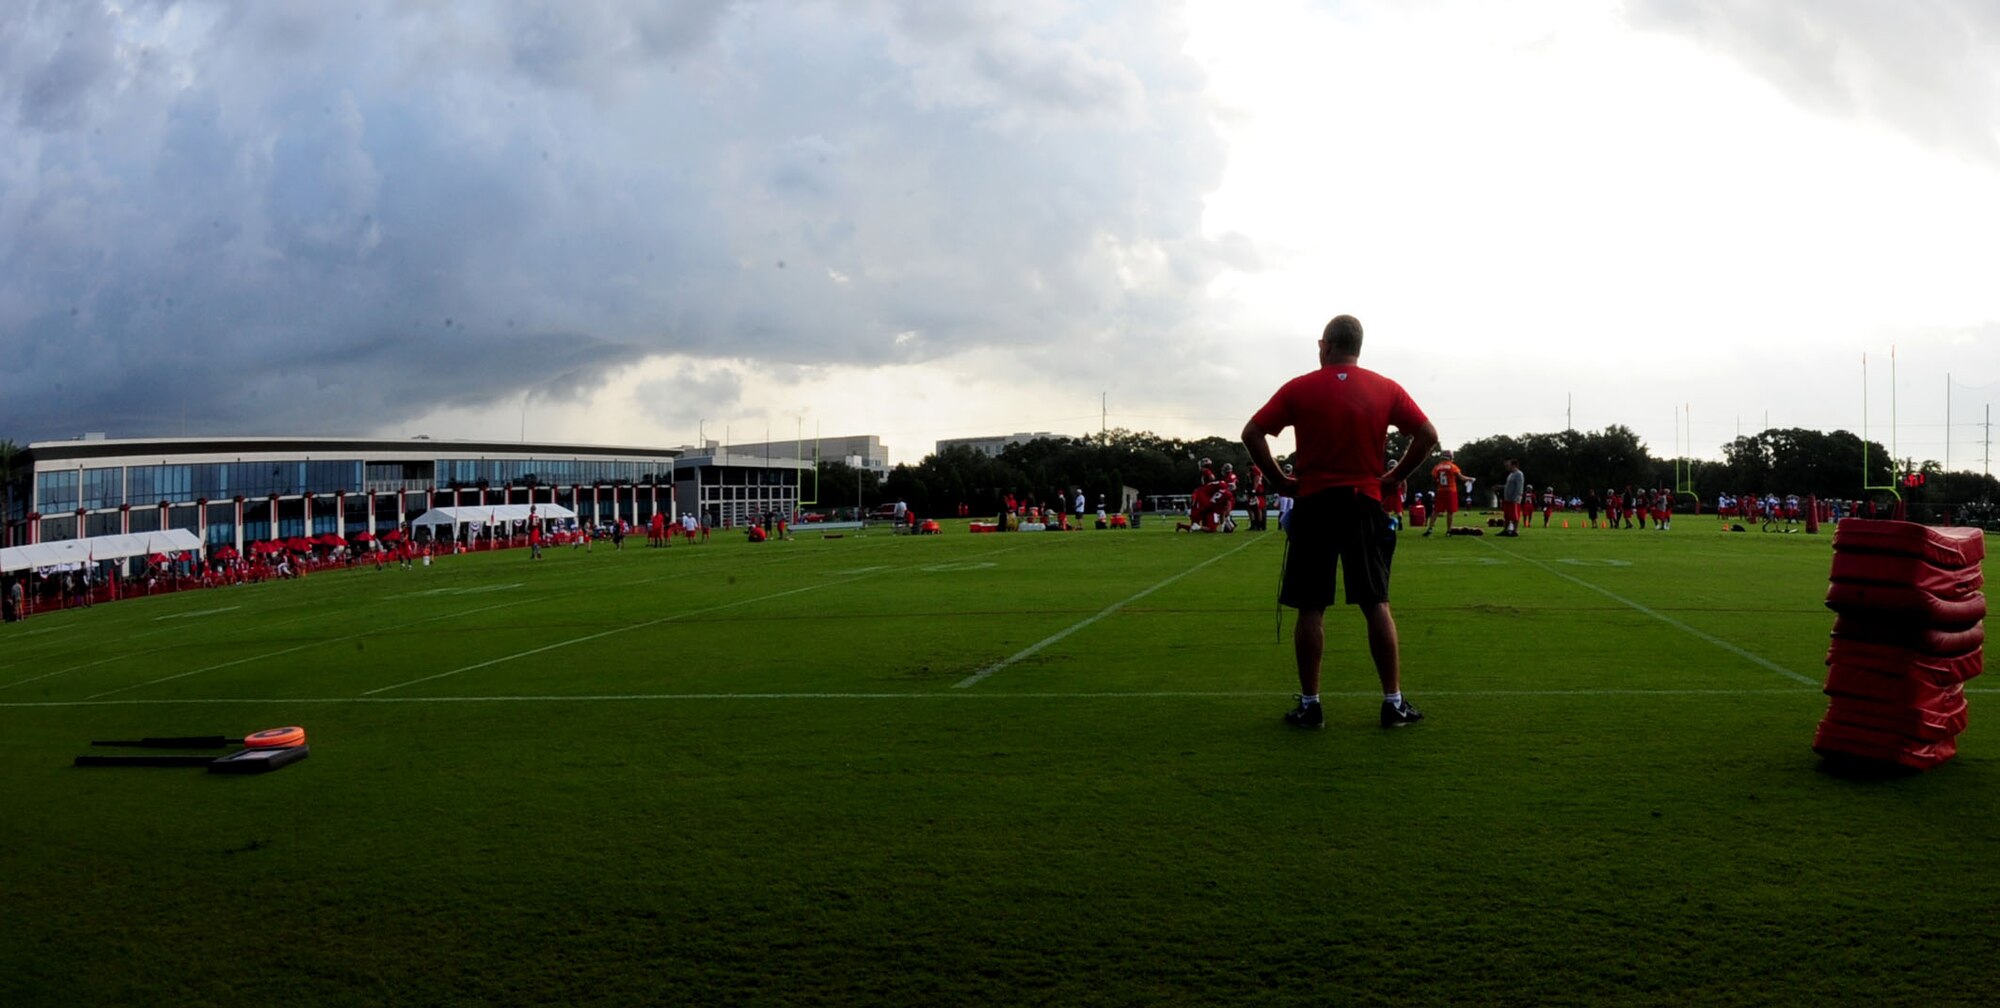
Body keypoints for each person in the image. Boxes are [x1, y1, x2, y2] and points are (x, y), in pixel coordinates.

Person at [1242, 314, 1438, 730]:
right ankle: (1393, 701)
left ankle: (1311, 705)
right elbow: (1427, 434)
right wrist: (1393, 477)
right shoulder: (1385, 388)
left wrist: (1280, 480)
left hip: (1314, 504)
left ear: (1326, 345)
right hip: (1362, 503)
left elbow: (1252, 432)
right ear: (1358, 347)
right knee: (1375, 603)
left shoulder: (1299, 388)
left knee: (1310, 608)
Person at [1424, 450, 1461, 536]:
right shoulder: (1452, 466)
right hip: (1451, 490)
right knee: (1450, 511)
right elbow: (1461, 477)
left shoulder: (1437, 467)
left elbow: (1434, 478)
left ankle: (1430, 529)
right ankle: (1448, 531)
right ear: (1450, 457)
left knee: (1436, 510)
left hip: (1441, 490)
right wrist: (1470, 479)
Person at [1499, 459, 1525, 537]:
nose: (1507, 467)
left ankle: (1515, 531)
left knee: (1514, 516)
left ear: (1513, 465)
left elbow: (1519, 486)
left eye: (1508, 465)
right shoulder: (1511, 474)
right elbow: (1508, 486)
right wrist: (1500, 487)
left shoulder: (1519, 474)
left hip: (1514, 499)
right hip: (1508, 499)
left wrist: (1517, 497)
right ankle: (1505, 530)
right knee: (1507, 516)